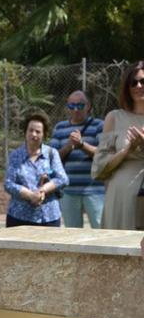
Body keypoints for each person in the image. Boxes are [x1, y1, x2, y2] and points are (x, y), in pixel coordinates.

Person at [93, 61, 144, 230]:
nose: (138, 86)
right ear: (127, 87)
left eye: (143, 82)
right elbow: (99, 166)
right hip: (120, 198)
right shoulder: (114, 117)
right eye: (133, 82)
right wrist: (126, 150)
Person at [48, 91, 104, 228]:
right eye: (72, 106)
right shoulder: (60, 127)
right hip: (68, 191)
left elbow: (104, 155)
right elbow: (51, 158)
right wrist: (69, 147)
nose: (76, 109)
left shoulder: (99, 126)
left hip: (95, 190)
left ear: (89, 106)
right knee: (72, 234)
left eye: (80, 105)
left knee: (101, 230)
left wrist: (82, 145)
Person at [4, 113, 68, 227]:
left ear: (44, 134)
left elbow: (63, 179)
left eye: (38, 131)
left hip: (48, 217)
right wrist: (30, 195)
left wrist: (42, 191)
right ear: (25, 132)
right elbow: (8, 184)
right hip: (18, 217)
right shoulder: (15, 155)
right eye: (30, 130)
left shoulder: (51, 153)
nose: (33, 134)